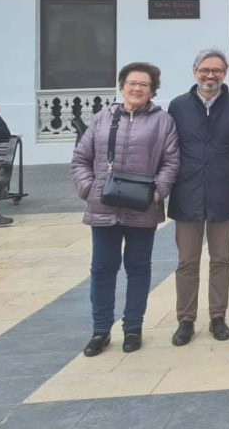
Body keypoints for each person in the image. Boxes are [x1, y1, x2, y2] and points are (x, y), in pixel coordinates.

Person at [70, 62, 179, 356]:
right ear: (122, 85)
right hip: (103, 208)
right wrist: (88, 188)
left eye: (144, 84)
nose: (137, 88)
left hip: (142, 208)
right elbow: (80, 158)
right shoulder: (102, 119)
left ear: (152, 90)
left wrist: (157, 193)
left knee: (139, 269)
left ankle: (133, 327)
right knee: (103, 270)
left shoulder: (162, 121)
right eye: (132, 82)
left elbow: (171, 161)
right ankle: (100, 330)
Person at [166, 49, 229, 346]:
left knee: (221, 258)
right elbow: (169, 150)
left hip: (223, 192)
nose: (210, 75)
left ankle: (218, 316)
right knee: (187, 261)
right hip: (186, 191)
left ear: (224, 73)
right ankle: (185, 319)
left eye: (216, 70)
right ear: (195, 72)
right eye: (205, 70)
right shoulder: (178, 106)